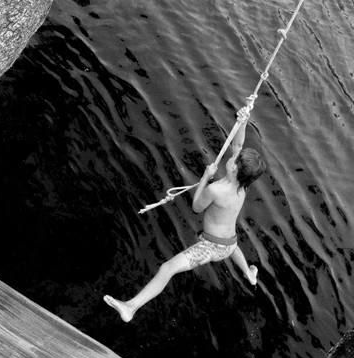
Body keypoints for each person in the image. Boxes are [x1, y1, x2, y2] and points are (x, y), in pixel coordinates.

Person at [104, 104, 266, 323]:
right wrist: (244, 120)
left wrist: (204, 179)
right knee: (232, 247)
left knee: (167, 268)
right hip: (229, 242)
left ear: (234, 168)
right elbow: (238, 144)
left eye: (235, 159)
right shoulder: (243, 186)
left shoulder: (216, 190)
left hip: (211, 247)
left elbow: (197, 207)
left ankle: (131, 307)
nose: (233, 156)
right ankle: (249, 273)